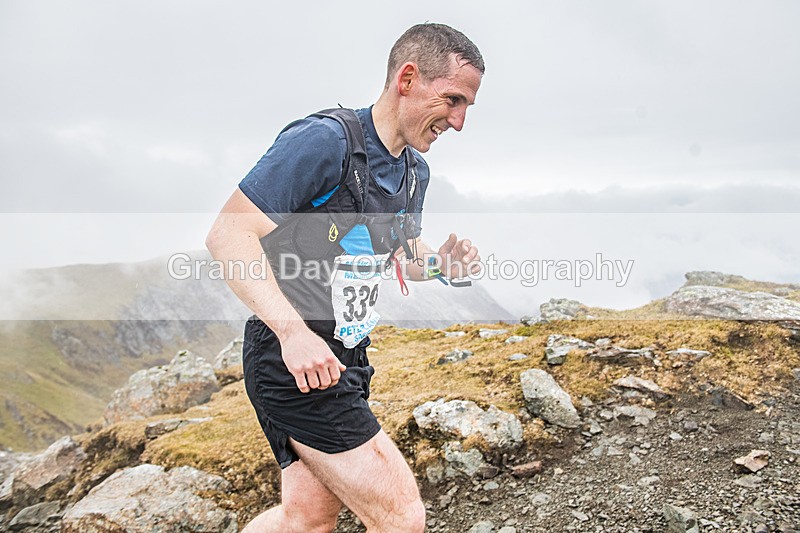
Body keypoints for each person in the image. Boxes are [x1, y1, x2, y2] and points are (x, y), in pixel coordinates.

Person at [206, 22, 484, 533]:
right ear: (407, 78)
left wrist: (443, 265)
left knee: (306, 518)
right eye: (452, 100)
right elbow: (228, 234)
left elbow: (399, 256)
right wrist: (293, 334)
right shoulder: (325, 142)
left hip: (346, 358)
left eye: (467, 106)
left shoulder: (412, 172)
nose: (460, 121)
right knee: (402, 516)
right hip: (293, 361)